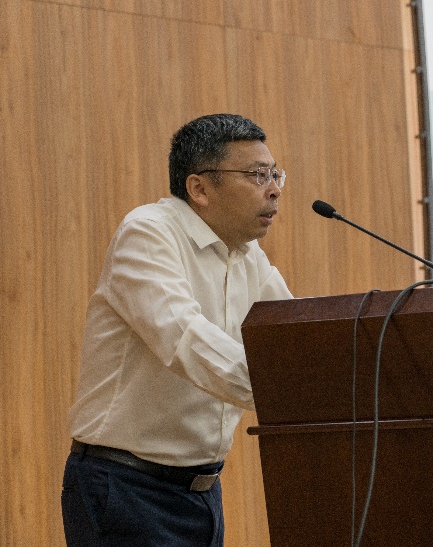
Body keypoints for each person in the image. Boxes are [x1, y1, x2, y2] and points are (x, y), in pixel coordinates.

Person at [61, 114, 293, 546]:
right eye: (257, 175)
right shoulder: (148, 233)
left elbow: (294, 336)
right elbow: (185, 339)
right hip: (125, 487)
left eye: (275, 174)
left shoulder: (246, 253)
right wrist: (288, 391)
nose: (274, 188)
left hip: (202, 491)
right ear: (199, 188)